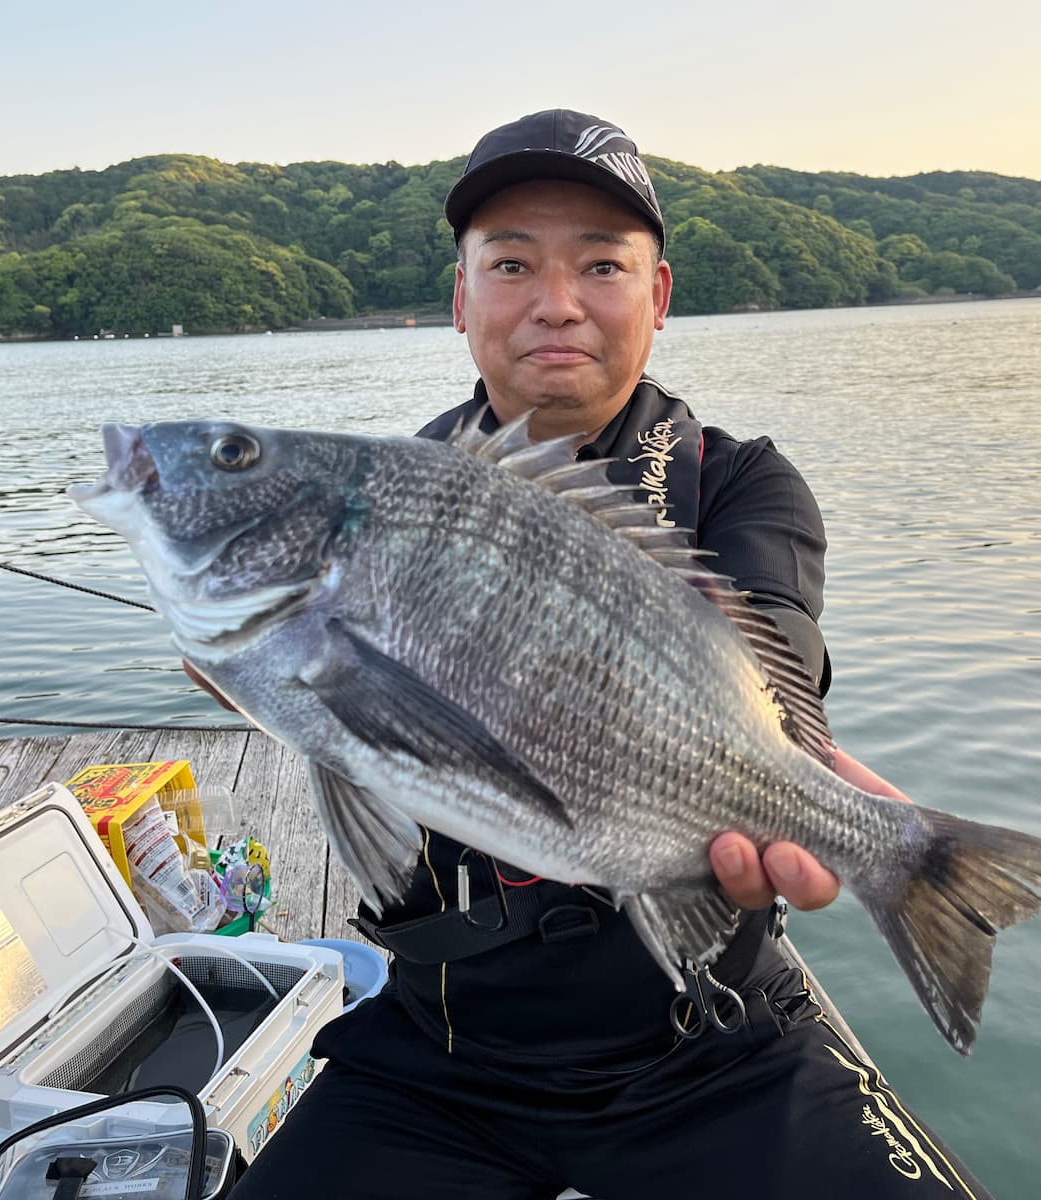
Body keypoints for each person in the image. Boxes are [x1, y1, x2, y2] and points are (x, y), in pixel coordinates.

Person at [225, 110, 992, 1199]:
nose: (557, 301)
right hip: (441, 1055)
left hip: (711, 1044)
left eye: (600, 264)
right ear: (460, 300)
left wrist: (828, 800)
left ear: (659, 296)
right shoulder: (380, 503)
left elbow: (774, 658)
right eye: (510, 264)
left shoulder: (737, 481)